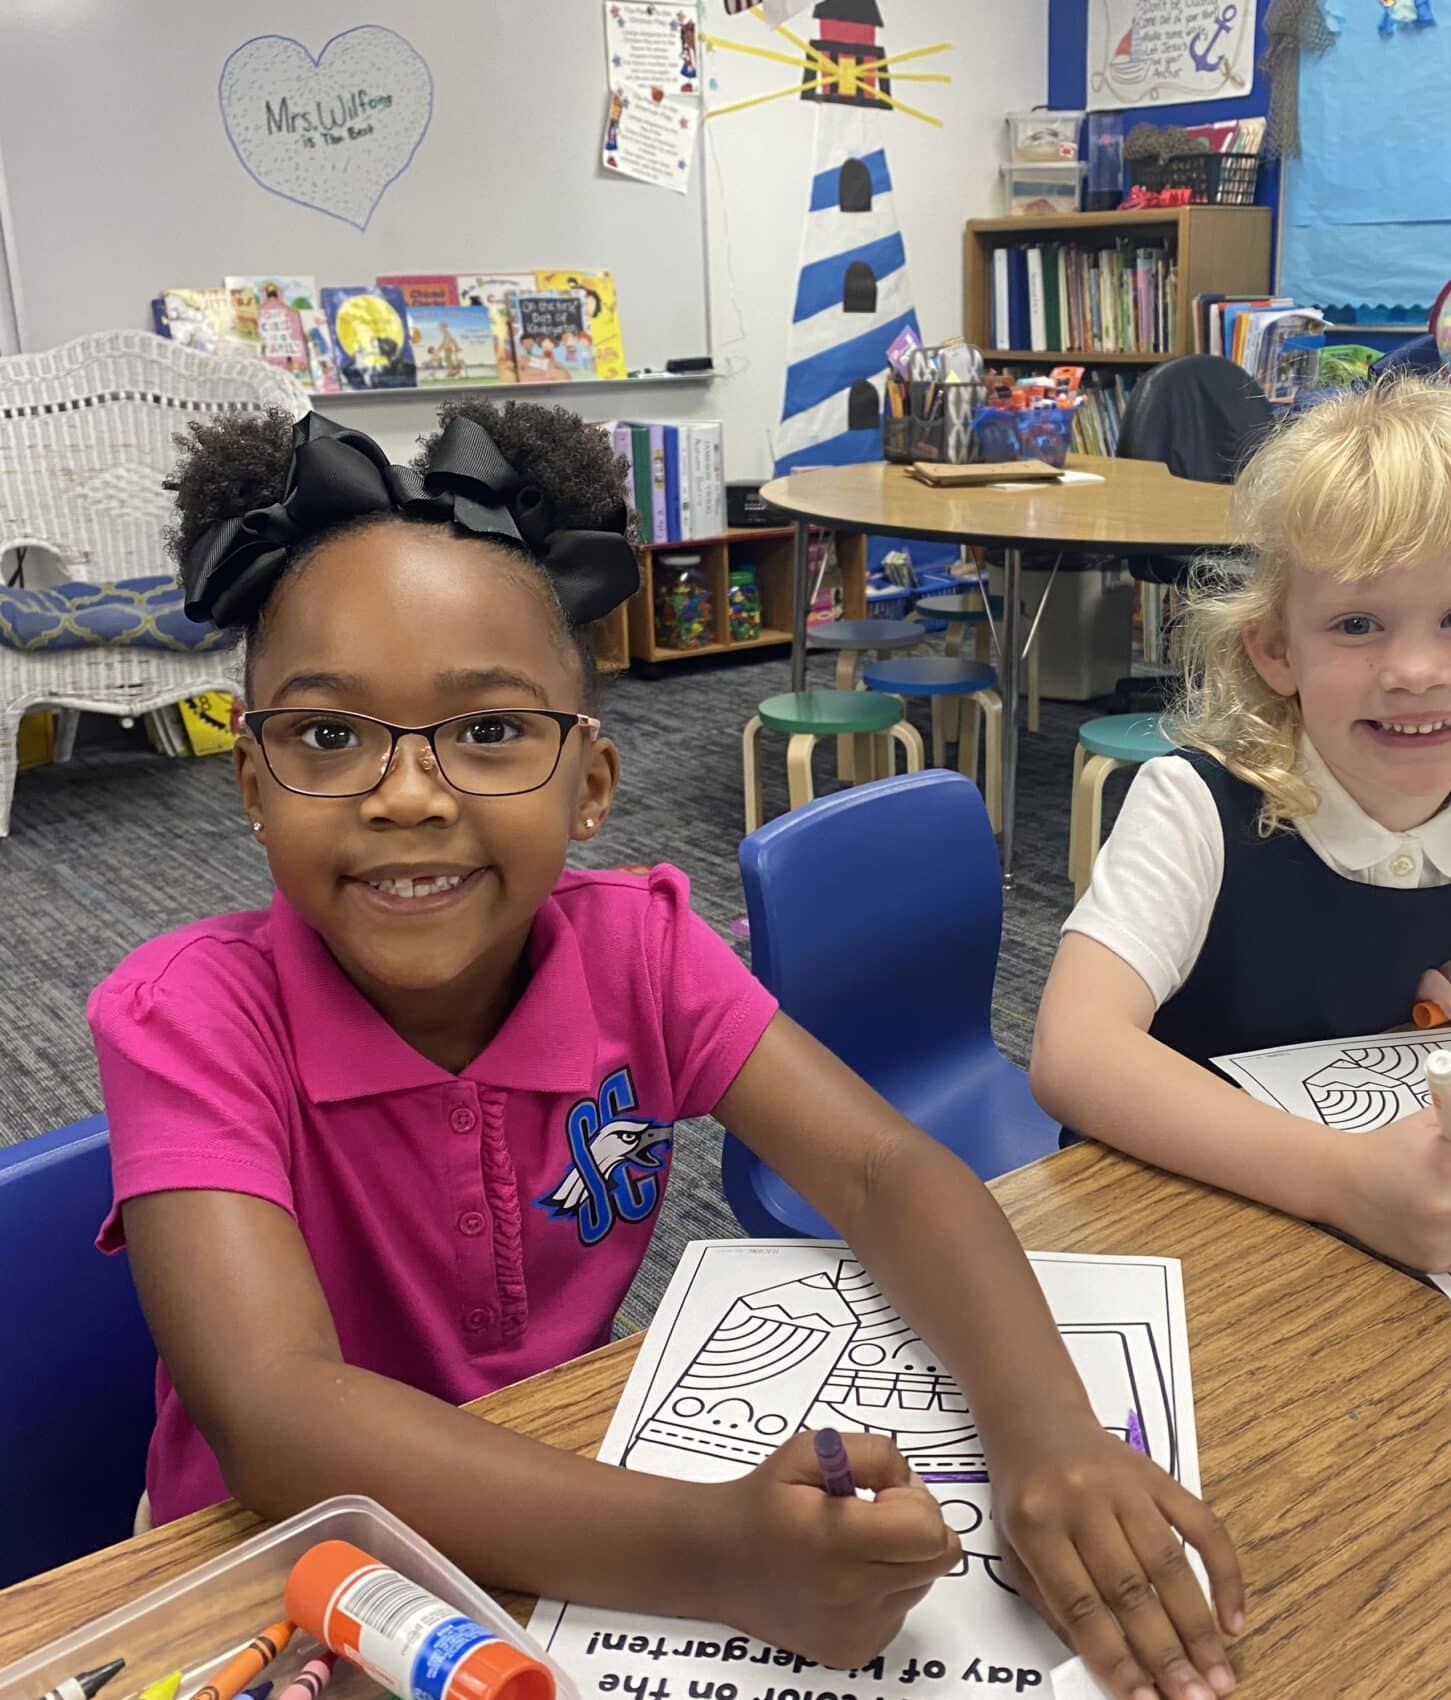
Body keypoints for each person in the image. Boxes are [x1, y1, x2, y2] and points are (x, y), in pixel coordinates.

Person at [93, 400, 1243, 1700]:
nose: (406, 794)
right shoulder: (186, 1015)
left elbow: (882, 1172)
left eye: (486, 732)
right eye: (326, 735)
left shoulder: (638, 949)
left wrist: (1046, 1428)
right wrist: (716, 1554)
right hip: (275, 1569)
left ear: (591, 782)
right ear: (250, 784)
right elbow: (276, 1416)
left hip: (561, 1499)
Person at [1032, 380, 1451, 1273]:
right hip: (1164, 1230)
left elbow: (1345, 972)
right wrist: (1346, 1179)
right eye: (1357, 625)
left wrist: (1429, 981)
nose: (1416, 671)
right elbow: (1074, 1055)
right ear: (1277, 650)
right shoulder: (1193, 809)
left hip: (1350, 1248)